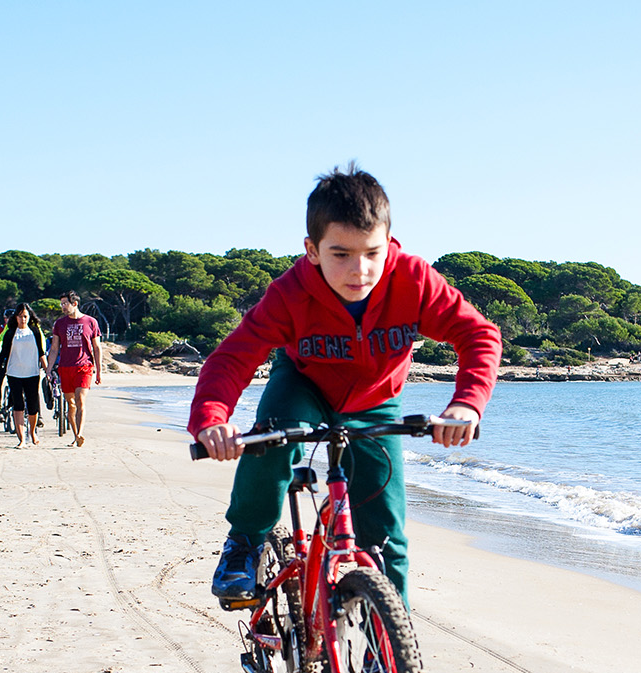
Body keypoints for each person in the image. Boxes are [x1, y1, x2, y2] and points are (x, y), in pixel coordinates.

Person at [189, 164, 500, 605]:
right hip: (303, 386)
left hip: (376, 401)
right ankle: (244, 544)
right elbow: (234, 358)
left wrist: (466, 403)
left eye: (372, 253)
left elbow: (478, 335)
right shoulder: (290, 293)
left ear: (390, 245)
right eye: (341, 254)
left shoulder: (412, 279)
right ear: (312, 250)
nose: (360, 270)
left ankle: (388, 656)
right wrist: (210, 420)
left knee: (386, 537)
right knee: (273, 436)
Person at [48, 291, 102, 446]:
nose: (63, 307)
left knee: (80, 400)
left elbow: (97, 347)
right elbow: (54, 348)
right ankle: (75, 435)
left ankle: (80, 433)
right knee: (70, 403)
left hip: (84, 366)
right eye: (62, 304)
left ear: (75, 304)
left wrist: (99, 371)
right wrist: (49, 369)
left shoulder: (90, 322)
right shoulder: (59, 324)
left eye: (65, 303)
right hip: (65, 367)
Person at [0, 302, 48, 447]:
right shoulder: (10, 333)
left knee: (33, 407)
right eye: (20, 316)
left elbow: (41, 353)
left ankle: (32, 432)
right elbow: (4, 354)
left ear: (30, 316)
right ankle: (21, 439)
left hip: (32, 373)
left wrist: (47, 370)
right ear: (16, 317)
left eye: (25, 316)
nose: (23, 319)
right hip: (14, 373)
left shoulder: (35, 332)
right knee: (17, 405)